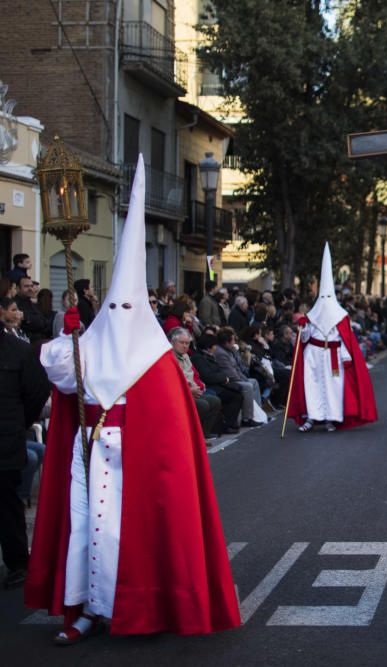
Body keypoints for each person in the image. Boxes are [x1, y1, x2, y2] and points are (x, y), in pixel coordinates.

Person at [24, 158, 240, 642]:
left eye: (129, 307)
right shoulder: (90, 343)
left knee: (136, 538)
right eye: (113, 307)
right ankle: (83, 610)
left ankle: (142, 606)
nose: (120, 315)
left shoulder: (158, 361)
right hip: (86, 455)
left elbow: (170, 436)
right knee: (85, 535)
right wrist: (71, 332)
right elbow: (59, 376)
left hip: (135, 464)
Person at [286, 242, 377, 433]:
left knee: (333, 387)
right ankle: (312, 417)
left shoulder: (341, 315)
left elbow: (346, 338)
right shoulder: (311, 314)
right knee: (312, 385)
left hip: (334, 355)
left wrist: (346, 356)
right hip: (313, 354)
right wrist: (303, 328)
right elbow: (305, 339)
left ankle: (331, 418)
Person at [0, 325, 50, 589]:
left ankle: (18, 564)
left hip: (6, 439)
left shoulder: (18, 350)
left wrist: (19, 423)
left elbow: (36, 391)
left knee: (8, 504)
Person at [169, 327, 224, 438]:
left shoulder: (185, 356)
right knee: (203, 405)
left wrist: (198, 387)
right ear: (173, 342)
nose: (185, 346)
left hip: (192, 391)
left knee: (215, 401)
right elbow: (172, 383)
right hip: (179, 394)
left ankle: (203, 434)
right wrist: (189, 390)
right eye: (182, 343)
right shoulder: (169, 358)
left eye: (187, 343)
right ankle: (191, 437)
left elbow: (192, 375)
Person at [190, 333, 242, 434]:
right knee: (232, 396)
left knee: (237, 393)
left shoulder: (208, 356)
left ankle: (230, 423)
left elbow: (218, 371)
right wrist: (223, 378)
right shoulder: (198, 358)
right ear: (208, 346)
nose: (216, 348)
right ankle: (226, 425)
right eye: (214, 345)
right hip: (211, 386)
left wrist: (223, 377)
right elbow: (207, 376)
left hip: (217, 384)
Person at [214, 327, 265, 427]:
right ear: (226, 342)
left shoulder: (230, 350)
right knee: (248, 386)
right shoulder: (221, 353)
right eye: (233, 340)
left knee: (253, 382)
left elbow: (237, 368)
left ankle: (258, 413)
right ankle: (247, 418)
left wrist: (245, 379)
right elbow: (231, 373)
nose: (234, 342)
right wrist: (245, 381)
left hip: (236, 377)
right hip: (228, 380)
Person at [15, 275, 48, 345]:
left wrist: (26, 317)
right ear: (18, 288)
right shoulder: (14, 305)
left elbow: (43, 322)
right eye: (26, 286)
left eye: (31, 286)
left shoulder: (33, 304)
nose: (30, 289)